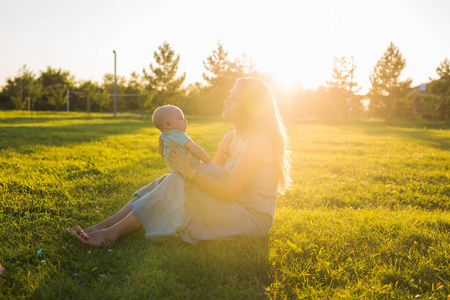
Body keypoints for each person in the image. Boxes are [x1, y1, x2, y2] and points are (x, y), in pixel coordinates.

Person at [66, 77, 290, 246]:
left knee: (177, 182)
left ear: (249, 107)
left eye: (233, 98)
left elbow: (228, 191)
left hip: (250, 217)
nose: (226, 101)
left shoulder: (256, 142)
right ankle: (104, 225)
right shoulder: (230, 137)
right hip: (233, 205)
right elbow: (211, 173)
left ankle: (110, 234)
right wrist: (179, 162)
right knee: (171, 179)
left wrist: (188, 172)